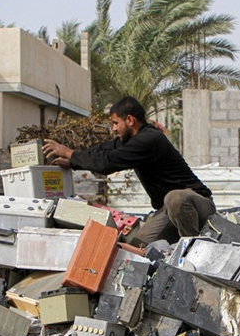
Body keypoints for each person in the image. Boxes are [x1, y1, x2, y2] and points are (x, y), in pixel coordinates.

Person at [43, 96, 216, 246]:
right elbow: (102, 151)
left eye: (116, 123)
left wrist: (68, 152)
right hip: (168, 211)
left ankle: (194, 251)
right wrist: (72, 162)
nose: (114, 128)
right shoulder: (130, 140)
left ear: (130, 120)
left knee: (175, 197)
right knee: (138, 246)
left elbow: (107, 163)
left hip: (198, 205)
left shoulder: (149, 140)